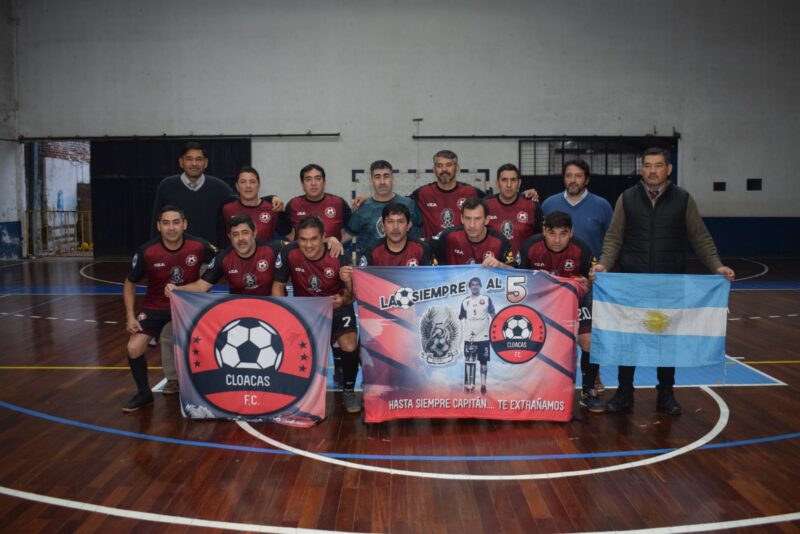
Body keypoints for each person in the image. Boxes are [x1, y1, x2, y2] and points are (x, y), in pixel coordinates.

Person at [591, 148, 735, 415]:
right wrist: (604, 264)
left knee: (667, 340)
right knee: (629, 338)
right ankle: (624, 393)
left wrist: (717, 266)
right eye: (647, 165)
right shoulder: (627, 198)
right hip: (633, 283)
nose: (652, 170)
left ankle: (666, 394)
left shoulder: (683, 199)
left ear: (668, 169)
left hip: (669, 284)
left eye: (658, 165)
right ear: (642, 169)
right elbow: (614, 237)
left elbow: (700, 237)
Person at [122, 205, 215, 412]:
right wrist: (130, 316)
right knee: (133, 348)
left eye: (176, 222)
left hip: (188, 305)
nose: (171, 228)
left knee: (204, 343)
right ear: (158, 226)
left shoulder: (199, 246)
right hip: (155, 306)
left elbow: (221, 262)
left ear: (184, 224)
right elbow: (129, 283)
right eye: (166, 223)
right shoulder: (147, 251)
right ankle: (144, 394)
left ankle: (205, 389)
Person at [271, 217, 361, 414]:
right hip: (306, 309)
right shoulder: (289, 253)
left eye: (313, 239)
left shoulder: (338, 254)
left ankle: (348, 391)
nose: (308, 245)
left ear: (323, 238)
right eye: (303, 239)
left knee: (349, 344)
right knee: (292, 345)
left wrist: (342, 300)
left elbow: (352, 295)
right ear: (297, 239)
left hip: (336, 306)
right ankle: (299, 389)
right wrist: (285, 314)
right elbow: (277, 287)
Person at [519, 211, 602, 412]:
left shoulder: (581, 249)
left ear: (571, 232)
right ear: (544, 231)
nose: (557, 240)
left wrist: (589, 281)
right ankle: (532, 389)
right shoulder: (530, 247)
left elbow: (594, 280)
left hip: (576, 299)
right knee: (532, 339)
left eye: (563, 234)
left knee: (589, 341)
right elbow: (518, 279)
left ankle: (588, 391)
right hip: (542, 299)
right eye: (552, 233)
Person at [165, 215, 285, 297]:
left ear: (254, 233)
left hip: (271, 308)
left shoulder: (273, 249)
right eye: (235, 234)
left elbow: (295, 247)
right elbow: (201, 287)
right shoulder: (223, 258)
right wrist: (177, 289)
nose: (241, 239)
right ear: (230, 237)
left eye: (245, 233)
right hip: (241, 310)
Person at [151, 142, 235, 248]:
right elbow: (156, 223)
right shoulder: (166, 186)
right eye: (189, 159)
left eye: (199, 159)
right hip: (174, 253)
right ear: (181, 162)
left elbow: (239, 210)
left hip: (210, 254)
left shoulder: (221, 188)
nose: (194, 163)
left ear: (206, 163)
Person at [541, 158, 613, 260]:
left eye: (578, 176)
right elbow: (540, 239)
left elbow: (612, 241)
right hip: (555, 267)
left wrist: (604, 263)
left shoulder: (602, 206)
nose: (573, 180)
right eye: (568, 176)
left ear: (587, 180)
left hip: (592, 268)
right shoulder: (548, 204)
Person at [346, 160, 422, 255]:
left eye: (386, 176)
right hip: (375, 262)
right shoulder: (362, 207)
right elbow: (347, 234)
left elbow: (423, 229)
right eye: (377, 177)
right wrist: (332, 240)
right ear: (371, 181)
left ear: (393, 179)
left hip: (405, 261)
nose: (382, 182)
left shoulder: (409, 204)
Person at [409, 150, 485, 239]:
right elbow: (402, 207)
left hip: (463, 246)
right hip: (432, 246)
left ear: (457, 168)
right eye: (439, 166)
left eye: (449, 165)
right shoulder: (423, 193)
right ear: (434, 170)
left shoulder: (472, 192)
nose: (444, 169)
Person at [431, 197, 515, 267]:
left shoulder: (499, 241)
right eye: (468, 218)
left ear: (486, 220)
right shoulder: (449, 236)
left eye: (477, 219)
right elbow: (426, 247)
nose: (472, 225)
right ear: (462, 219)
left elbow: (514, 272)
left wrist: (500, 265)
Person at [486, 163, 542, 263]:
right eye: (504, 180)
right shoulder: (485, 205)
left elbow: (540, 239)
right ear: (497, 183)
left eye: (513, 180)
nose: (509, 185)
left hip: (523, 266)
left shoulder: (532, 206)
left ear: (519, 183)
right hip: (492, 265)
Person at [282, 164, 352, 241]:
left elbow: (351, 231)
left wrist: (337, 243)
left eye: (318, 179)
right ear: (302, 184)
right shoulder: (293, 204)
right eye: (308, 179)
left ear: (324, 182)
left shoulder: (338, 203)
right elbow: (287, 233)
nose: (313, 183)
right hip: (301, 249)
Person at [221, 166, 288, 241]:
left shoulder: (273, 208)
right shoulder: (227, 209)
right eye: (243, 182)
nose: (248, 186)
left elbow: (289, 236)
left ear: (259, 185)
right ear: (237, 186)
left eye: (252, 182)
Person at [459, 277, 496, 394]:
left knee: (483, 363)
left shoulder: (486, 299)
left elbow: (493, 315)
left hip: (484, 337)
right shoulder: (465, 301)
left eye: (477, 284)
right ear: (470, 287)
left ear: (480, 286)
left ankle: (483, 385)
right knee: (469, 361)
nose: (475, 286)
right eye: (473, 285)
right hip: (469, 337)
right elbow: (460, 317)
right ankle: (469, 385)